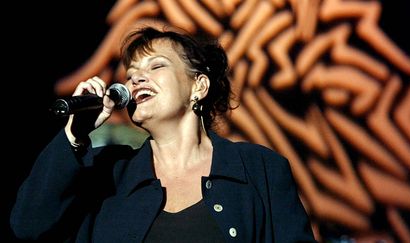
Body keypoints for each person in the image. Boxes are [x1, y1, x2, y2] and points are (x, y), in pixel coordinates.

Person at [10, 26, 316, 242]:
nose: (137, 79)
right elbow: (28, 225)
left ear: (199, 87)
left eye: (156, 66)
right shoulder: (107, 175)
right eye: (130, 76)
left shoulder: (261, 170)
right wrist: (74, 137)